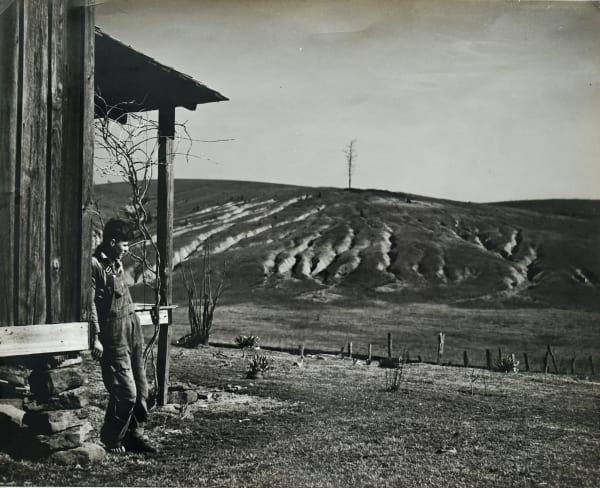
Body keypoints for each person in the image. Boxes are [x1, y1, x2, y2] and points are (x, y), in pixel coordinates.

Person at [90, 219, 157, 454]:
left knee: (142, 390)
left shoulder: (115, 265)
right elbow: (90, 305)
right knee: (125, 392)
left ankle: (133, 435)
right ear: (111, 242)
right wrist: (95, 337)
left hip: (132, 332)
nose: (128, 249)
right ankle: (111, 437)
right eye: (124, 244)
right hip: (113, 336)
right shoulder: (96, 265)